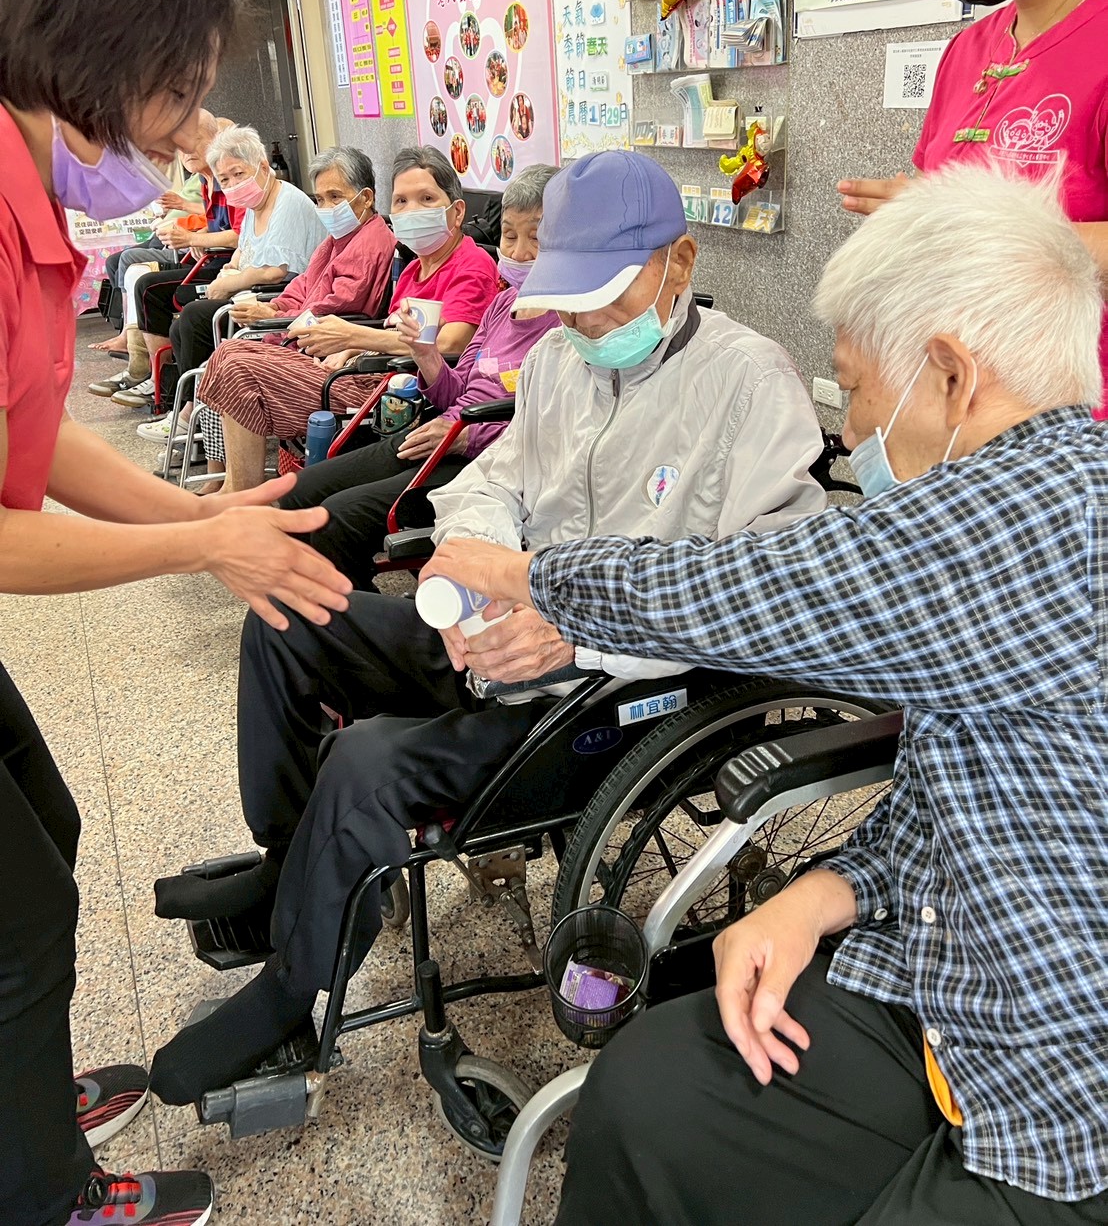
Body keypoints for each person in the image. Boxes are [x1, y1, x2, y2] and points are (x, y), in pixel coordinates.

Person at [426, 165, 1108, 1226]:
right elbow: (964, 791)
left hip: (1058, 1076)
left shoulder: (1041, 513)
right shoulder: (558, 363)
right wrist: (824, 890)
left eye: (859, 390)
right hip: (943, 965)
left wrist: (525, 576)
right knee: (646, 1091)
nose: (857, 432)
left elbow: (754, 587)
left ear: (948, 374)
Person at [145, 150, 827, 1108]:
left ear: (680, 260)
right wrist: (466, 562)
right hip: (498, 635)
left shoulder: (750, 383)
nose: (583, 324)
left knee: (369, 762)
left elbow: (767, 592)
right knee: (288, 617)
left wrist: (576, 632)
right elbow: (488, 484)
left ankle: (293, 988)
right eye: (568, 298)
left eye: (603, 297)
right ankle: (285, 865)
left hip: (613, 689)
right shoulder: (558, 361)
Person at [0, 0, 351, 1226]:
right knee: (19, 915)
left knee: (47, 827)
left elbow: (30, 441)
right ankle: (44, 1191)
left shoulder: (31, 192)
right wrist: (198, 542)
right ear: (101, 58)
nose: (188, 132)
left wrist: (200, 522)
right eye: (182, 94)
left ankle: (24, 1103)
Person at [839, 0, 1108, 413]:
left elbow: (959, 228)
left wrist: (965, 228)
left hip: (1074, 442)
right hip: (956, 425)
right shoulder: (967, 52)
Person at [276, 163, 562, 588]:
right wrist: (426, 356)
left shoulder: (568, 323)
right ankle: (312, 605)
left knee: (338, 518)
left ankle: (351, 616)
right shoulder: (504, 304)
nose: (519, 253)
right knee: (298, 492)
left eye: (536, 239)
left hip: (488, 458)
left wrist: (467, 435)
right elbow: (457, 391)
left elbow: (550, 422)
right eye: (509, 236)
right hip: (442, 434)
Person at [194, 146, 499, 493]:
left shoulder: (471, 264)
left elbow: (450, 343)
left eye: (426, 199)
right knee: (231, 353)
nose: (412, 210)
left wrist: (353, 337)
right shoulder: (414, 267)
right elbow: (388, 328)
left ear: (456, 211)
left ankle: (241, 493)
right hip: (364, 369)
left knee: (238, 366)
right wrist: (352, 348)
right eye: (401, 201)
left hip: (397, 392)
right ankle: (235, 487)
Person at [137, 145, 393, 449]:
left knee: (230, 366)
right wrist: (274, 306)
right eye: (320, 199)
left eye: (335, 197)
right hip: (298, 333)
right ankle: (210, 455)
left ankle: (213, 456)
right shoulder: (338, 238)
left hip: (323, 352)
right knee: (224, 354)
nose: (326, 207)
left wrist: (275, 317)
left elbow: (335, 308)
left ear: (366, 197)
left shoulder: (368, 244)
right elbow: (303, 285)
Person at [119, 123, 325, 417]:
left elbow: (275, 272)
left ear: (262, 166)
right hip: (251, 288)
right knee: (180, 323)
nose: (232, 185)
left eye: (238, 174)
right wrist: (229, 269)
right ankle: (188, 404)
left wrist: (228, 283)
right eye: (225, 179)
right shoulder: (256, 204)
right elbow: (243, 247)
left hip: (279, 296)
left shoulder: (287, 202)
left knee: (194, 316)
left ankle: (193, 411)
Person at [88, 108, 242, 390]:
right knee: (136, 273)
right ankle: (149, 374)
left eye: (193, 140)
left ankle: (158, 382)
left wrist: (193, 238)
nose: (186, 150)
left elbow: (239, 235)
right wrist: (197, 236)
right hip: (205, 255)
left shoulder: (231, 180)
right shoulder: (206, 180)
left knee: (145, 281)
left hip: (228, 266)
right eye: (179, 145)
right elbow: (217, 225)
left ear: (216, 140)